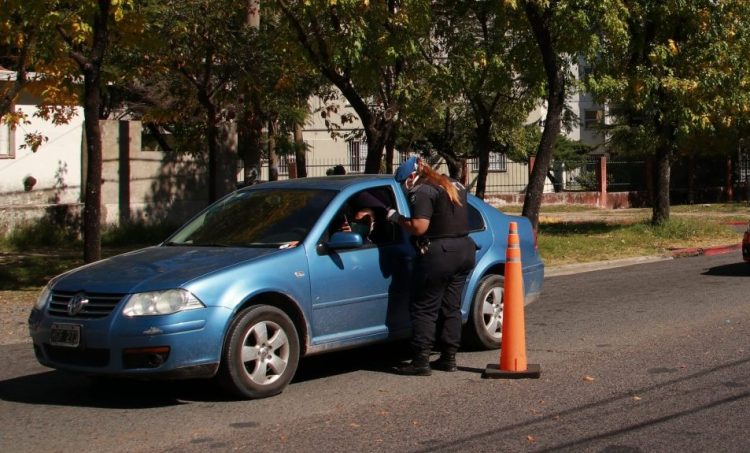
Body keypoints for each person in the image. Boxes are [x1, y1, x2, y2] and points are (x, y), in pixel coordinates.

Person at [387, 156, 476, 376]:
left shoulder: (423, 191)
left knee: (424, 308)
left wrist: (396, 217)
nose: (404, 189)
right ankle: (449, 357)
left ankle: (421, 361)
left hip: (440, 254)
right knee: (451, 307)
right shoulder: (453, 184)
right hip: (464, 249)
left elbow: (419, 227)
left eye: (403, 183)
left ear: (411, 177)